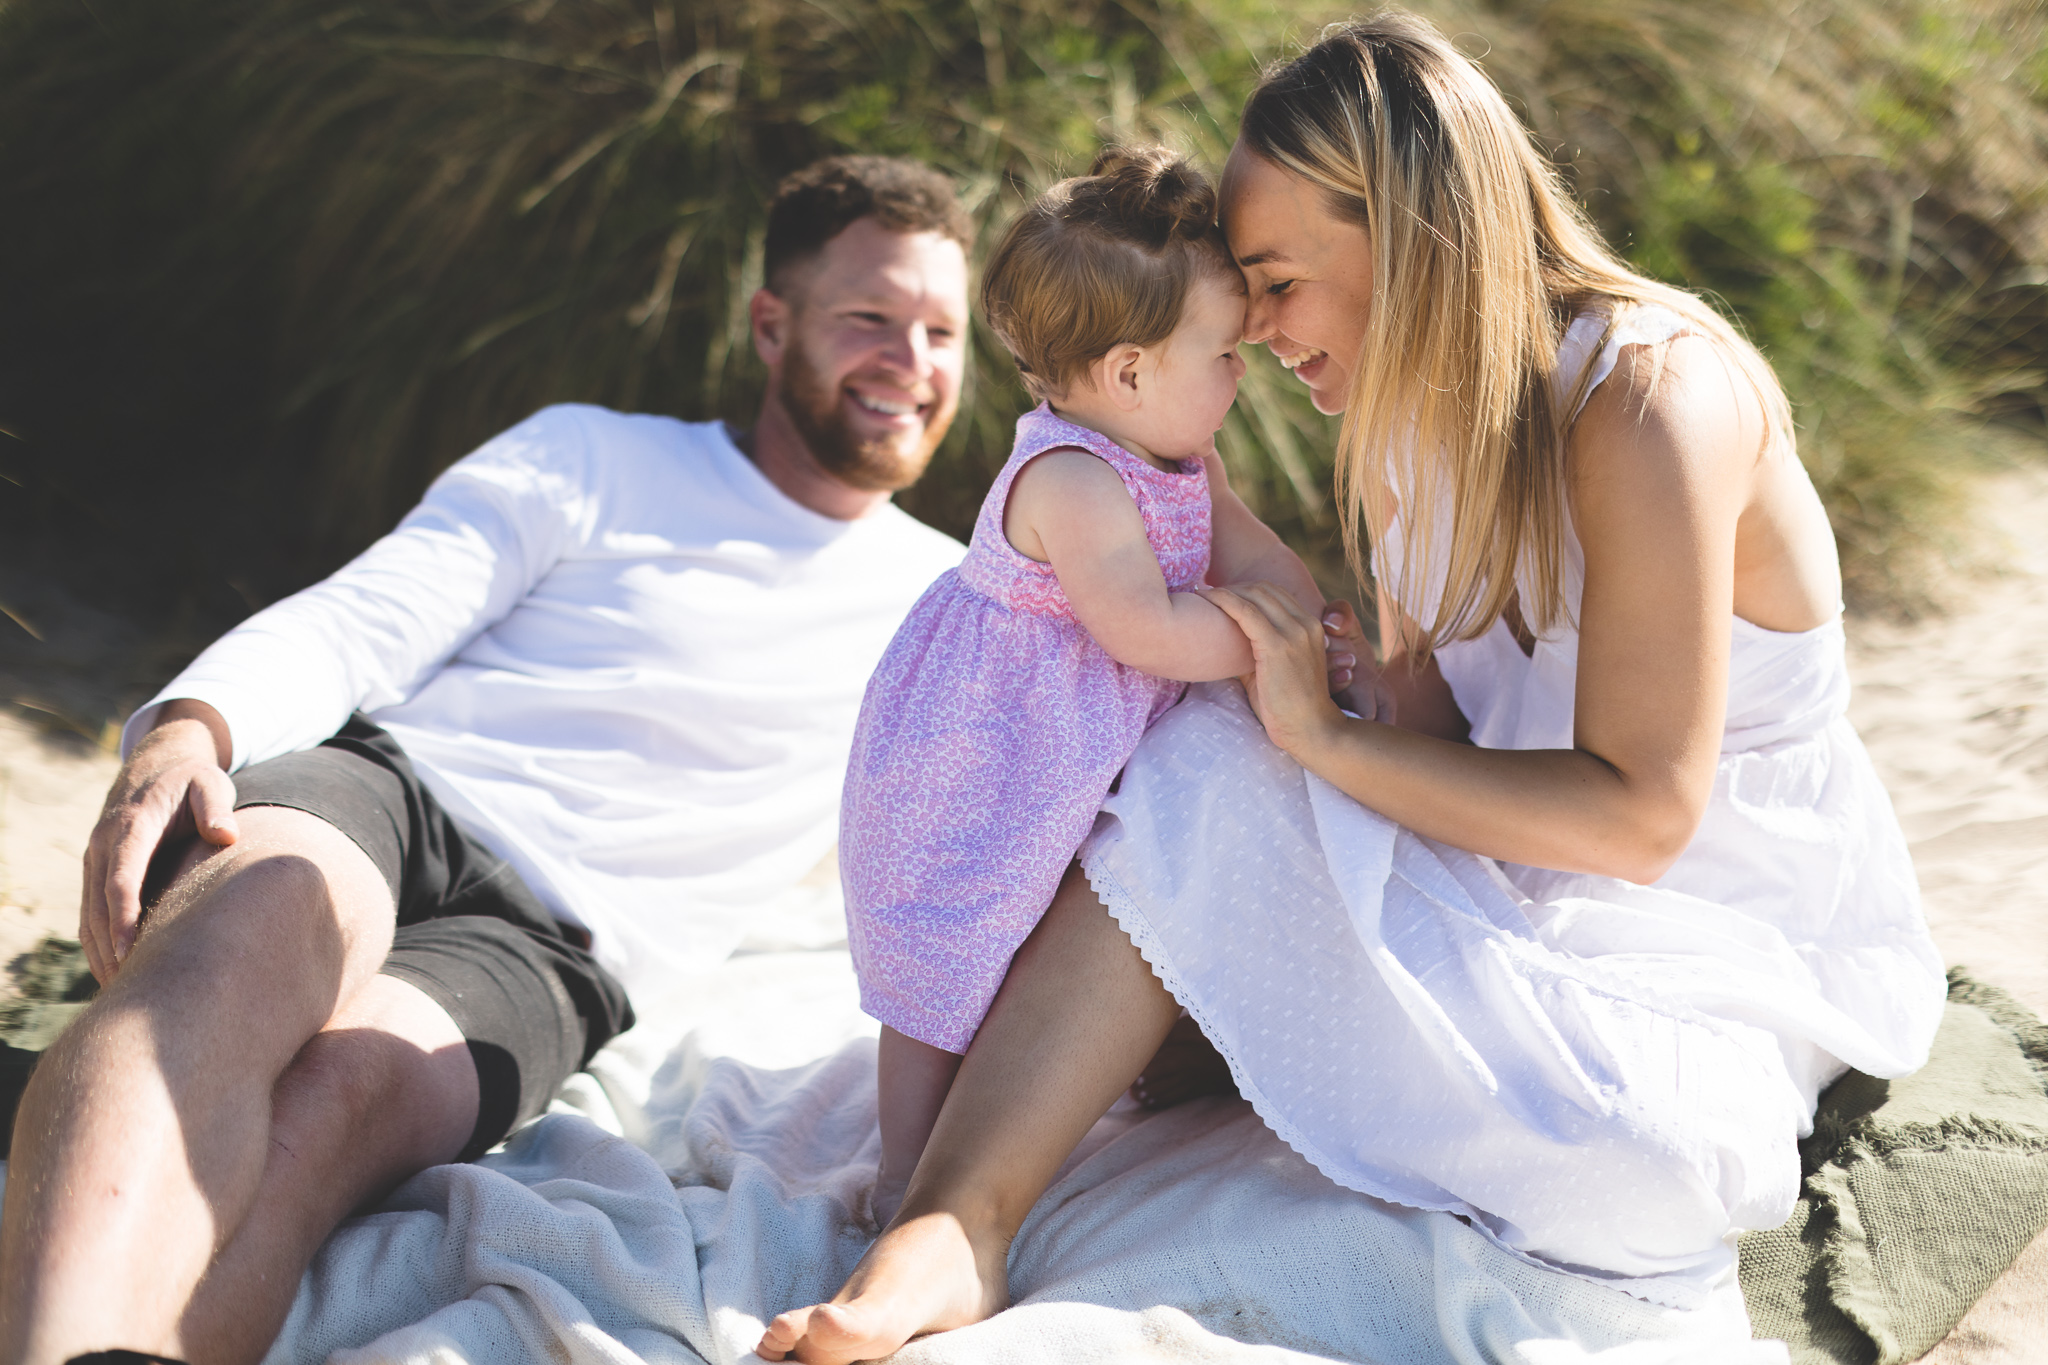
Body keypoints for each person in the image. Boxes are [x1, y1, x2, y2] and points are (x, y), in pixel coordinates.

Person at [756, 15, 1946, 1365]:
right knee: (1203, 743)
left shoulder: (1651, 396)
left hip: (1714, 951)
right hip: (1523, 915)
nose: (1254, 330)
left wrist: (1315, 736)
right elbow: (1436, 772)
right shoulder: (1408, 428)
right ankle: (954, 1225)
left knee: (1646, 1167)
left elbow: (1640, 820)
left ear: (1412, 237)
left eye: (1276, 280)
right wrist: (1334, 719)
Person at [0, 155, 973, 1365]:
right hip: (397, 794)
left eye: (941, 332)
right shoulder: (598, 454)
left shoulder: (956, 601)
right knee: (231, 956)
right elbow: (370, 613)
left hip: (558, 952)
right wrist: (194, 727)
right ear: (772, 326)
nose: (911, 362)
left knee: (328, 1120)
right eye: (869, 319)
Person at [839, 146, 1325, 1225]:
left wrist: (1310, 617)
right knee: (946, 948)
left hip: (1067, 742)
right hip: (979, 749)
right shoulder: (1071, 478)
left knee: (1061, 925)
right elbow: (1142, 627)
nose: (1241, 372)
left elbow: (1250, 557)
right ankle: (905, 1173)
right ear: (1129, 372)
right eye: (1221, 353)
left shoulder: (1183, 456)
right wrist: (1263, 644)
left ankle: (1055, 1084)